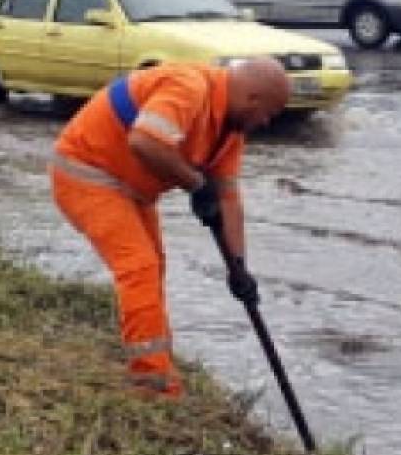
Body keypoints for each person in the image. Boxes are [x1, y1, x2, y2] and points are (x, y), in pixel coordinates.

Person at [50, 57, 292, 398]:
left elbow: (228, 198)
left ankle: (159, 367)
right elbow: (144, 142)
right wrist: (194, 182)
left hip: (132, 189)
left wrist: (239, 267)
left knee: (154, 267)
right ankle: (152, 383)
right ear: (253, 98)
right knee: (139, 267)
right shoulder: (189, 87)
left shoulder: (229, 131)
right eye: (268, 114)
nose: (265, 123)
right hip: (87, 173)